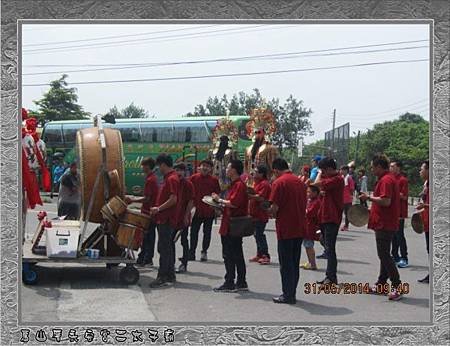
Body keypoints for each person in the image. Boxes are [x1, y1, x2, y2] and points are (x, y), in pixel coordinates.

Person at [359, 154, 403, 301]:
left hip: (385, 223)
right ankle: (381, 284)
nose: (372, 169)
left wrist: (368, 198)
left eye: (373, 166)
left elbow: (386, 201)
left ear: (379, 166)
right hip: (385, 222)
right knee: (384, 254)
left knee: (384, 255)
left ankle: (397, 286)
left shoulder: (386, 180)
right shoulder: (388, 178)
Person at [268, 158, 306, 304]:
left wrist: (269, 211)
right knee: (294, 262)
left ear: (276, 170)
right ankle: (292, 292)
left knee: (286, 264)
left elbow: (274, 208)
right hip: (299, 226)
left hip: (286, 227)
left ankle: (287, 295)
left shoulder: (279, 182)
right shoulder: (300, 182)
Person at [211, 160, 249, 293]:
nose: (226, 170)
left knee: (231, 254)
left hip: (232, 225)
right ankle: (240, 281)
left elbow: (233, 203)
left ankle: (231, 281)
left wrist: (219, 200)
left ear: (234, 170)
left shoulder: (239, 185)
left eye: (228, 167)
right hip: (229, 223)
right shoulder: (234, 185)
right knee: (236, 253)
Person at [310, 157, 344, 285]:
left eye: (323, 170)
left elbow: (316, 183)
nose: (322, 173)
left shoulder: (337, 179)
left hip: (332, 217)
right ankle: (329, 276)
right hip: (325, 216)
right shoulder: (330, 179)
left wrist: (319, 173)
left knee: (330, 248)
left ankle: (331, 277)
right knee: (325, 243)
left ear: (329, 169)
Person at [148, 154, 180, 288]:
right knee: (167, 248)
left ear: (163, 165)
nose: (158, 169)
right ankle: (170, 275)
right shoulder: (170, 178)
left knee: (164, 248)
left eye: (159, 166)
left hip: (166, 218)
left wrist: (158, 209)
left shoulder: (172, 178)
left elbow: (173, 199)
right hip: (165, 218)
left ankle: (162, 276)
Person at [125, 157, 159, 267]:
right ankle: (143, 257)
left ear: (148, 166)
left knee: (148, 237)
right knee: (146, 236)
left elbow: (147, 198)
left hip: (149, 212)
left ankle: (147, 259)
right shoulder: (151, 178)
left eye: (143, 165)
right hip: (148, 211)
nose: (142, 168)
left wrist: (133, 200)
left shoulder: (151, 180)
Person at [188, 160, 221, 262]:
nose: (205, 168)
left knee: (207, 233)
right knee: (193, 232)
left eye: (207, 166)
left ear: (211, 169)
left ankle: (204, 252)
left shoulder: (214, 180)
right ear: (199, 167)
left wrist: (216, 207)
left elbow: (217, 194)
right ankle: (191, 252)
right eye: (203, 166)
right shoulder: (193, 178)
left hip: (209, 211)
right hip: (196, 210)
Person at [173, 162, 195, 273]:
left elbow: (191, 201)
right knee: (170, 241)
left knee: (184, 241)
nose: (179, 172)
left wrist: (186, 216)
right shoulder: (173, 182)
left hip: (183, 217)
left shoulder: (188, 184)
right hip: (172, 218)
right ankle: (170, 263)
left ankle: (184, 263)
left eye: (181, 170)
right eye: (177, 170)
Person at [248, 165, 271, 265]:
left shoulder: (264, 184)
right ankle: (259, 254)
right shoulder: (256, 183)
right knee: (256, 235)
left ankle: (265, 255)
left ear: (262, 174)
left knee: (259, 235)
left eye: (256, 172)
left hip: (260, 214)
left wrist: (250, 195)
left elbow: (261, 198)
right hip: (254, 214)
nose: (254, 173)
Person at [390, 160, 409, 268]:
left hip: (400, 211)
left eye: (392, 166)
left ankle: (404, 258)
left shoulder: (403, 180)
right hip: (392, 212)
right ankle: (395, 255)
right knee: (393, 235)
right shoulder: (391, 179)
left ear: (398, 168)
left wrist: (393, 193)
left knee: (400, 235)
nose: (390, 168)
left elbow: (405, 196)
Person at [300, 185, 321, 270]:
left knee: (309, 245)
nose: (307, 194)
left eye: (309, 192)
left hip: (311, 226)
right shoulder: (310, 201)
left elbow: (309, 213)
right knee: (307, 245)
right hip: (307, 225)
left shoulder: (316, 202)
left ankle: (313, 264)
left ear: (315, 193)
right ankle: (310, 262)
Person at [417, 160, 430, 284]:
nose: (420, 171)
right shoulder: (427, 184)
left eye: (422, 169)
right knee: (430, 249)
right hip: (427, 222)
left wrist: (424, 205)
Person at [340, 165, 355, 232]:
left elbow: (352, 189)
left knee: (347, 213)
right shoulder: (342, 177)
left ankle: (346, 226)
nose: (341, 171)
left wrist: (350, 196)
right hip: (342, 199)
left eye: (342, 170)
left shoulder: (349, 178)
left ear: (346, 170)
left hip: (347, 199)